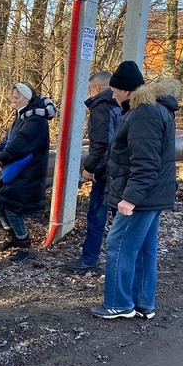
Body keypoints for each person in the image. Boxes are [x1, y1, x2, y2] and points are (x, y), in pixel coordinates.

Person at [90, 62, 178, 320]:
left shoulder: (144, 114)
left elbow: (145, 162)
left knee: (120, 245)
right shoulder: (154, 110)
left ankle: (118, 303)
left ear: (127, 92)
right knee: (143, 249)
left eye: (116, 91)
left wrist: (129, 198)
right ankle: (142, 302)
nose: (113, 96)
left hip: (141, 197)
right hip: (152, 195)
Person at [0, 82, 56, 262]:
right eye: (13, 95)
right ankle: (12, 237)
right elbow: (8, 139)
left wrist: (2, 157)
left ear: (27, 98)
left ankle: (25, 245)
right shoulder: (22, 116)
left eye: (17, 96)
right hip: (17, 170)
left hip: (27, 172)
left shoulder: (35, 120)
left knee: (13, 208)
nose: (13, 99)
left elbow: (21, 144)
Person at [64, 71, 120, 273]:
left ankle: (89, 258)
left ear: (96, 88)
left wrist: (89, 169)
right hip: (120, 171)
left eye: (90, 89)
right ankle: (120, 260)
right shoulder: (121, 105)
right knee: (119, 217)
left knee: (97, 214)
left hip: (105, 172)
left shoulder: (100, 107)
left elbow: (101, 144)